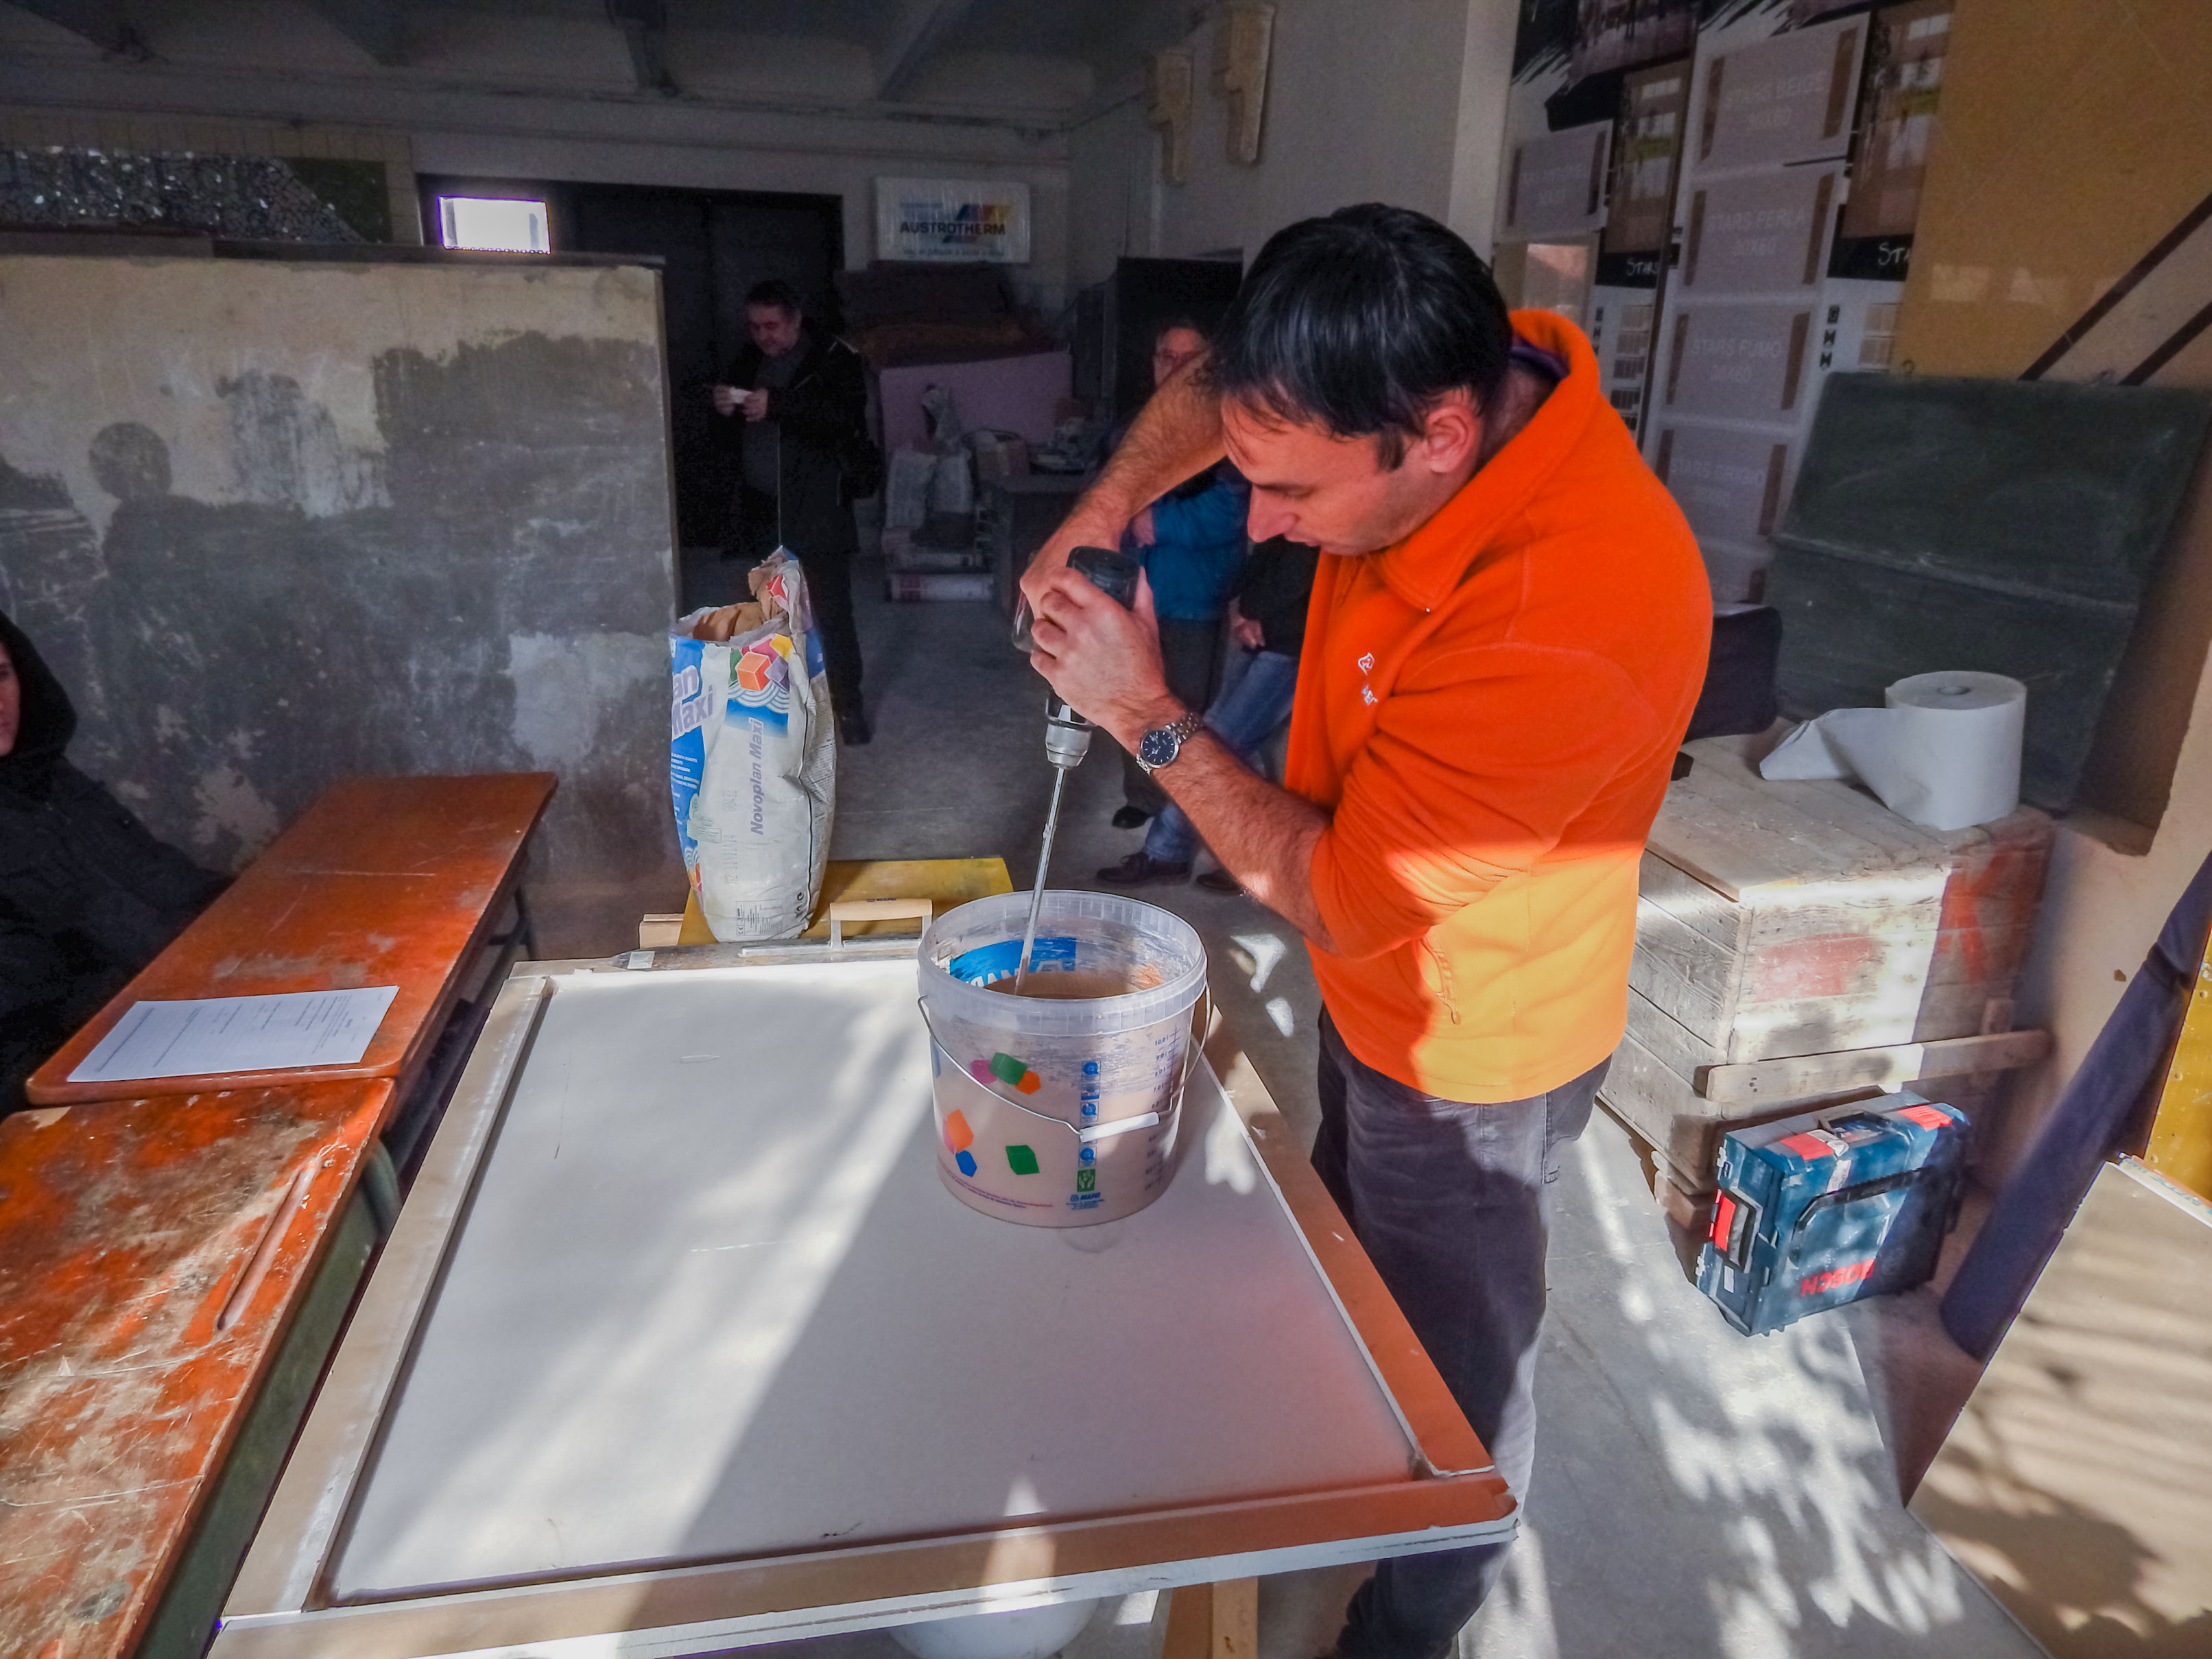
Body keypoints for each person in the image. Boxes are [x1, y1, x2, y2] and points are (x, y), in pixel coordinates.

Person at [1022, 204, 1710, 1659]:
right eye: (1252, 480)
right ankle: (1330, 1452)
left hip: (1472, 1041)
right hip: (1374, 982)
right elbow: (1219, 396)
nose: (1262, 524)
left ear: (1439, 439)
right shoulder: (1426, 371)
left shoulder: (1571, 609)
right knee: (1344, 1252)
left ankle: (1412, 1624)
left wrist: (1146, 714)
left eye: (1291, 493)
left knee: (1454, 1377)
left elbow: (1342, 892)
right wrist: (1105, 506)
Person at [0, 609, 226, 1112]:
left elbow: (166, 879)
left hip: (161, 1014)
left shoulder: (45, 777)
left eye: (1, 675)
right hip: (60, 1080)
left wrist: (261, 918)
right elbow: (35, 1009)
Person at [1097, 534, 1317, 892]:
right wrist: (1246, 610)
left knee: (1216, 744)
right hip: (1271, 635)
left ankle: (1168, 852)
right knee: (1229, 746)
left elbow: (1299, 569)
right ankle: (1240, 862)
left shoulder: (1314, 526)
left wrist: (1250, 611)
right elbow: (1270, 557)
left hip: (1290, 642)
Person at [713, 278, 878, 746]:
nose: (762, 335)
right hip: (761, 507)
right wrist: (723, 403)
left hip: (819, 506)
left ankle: (848, 706)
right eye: (754, 326)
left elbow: (844, 419)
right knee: (765, 614)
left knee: (831, 611)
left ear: (795, 320)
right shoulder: (748, 359)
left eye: (771, 326)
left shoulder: (836, 359)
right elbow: (730, 425)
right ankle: (769, 707)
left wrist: (780, 405)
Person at [1107, 318, 1250, 829]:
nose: (1173, 367)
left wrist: (1157, 521)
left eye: (1187, 358)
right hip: (1136, 589)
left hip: (1193, 594)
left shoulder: (1227, 426)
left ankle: (1182, 806)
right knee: (1132, 696)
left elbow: (1231, 510)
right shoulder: (1134, 426)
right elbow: (1105, 491)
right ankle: (1143, 796)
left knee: (1185, 706)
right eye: (1165, 355)